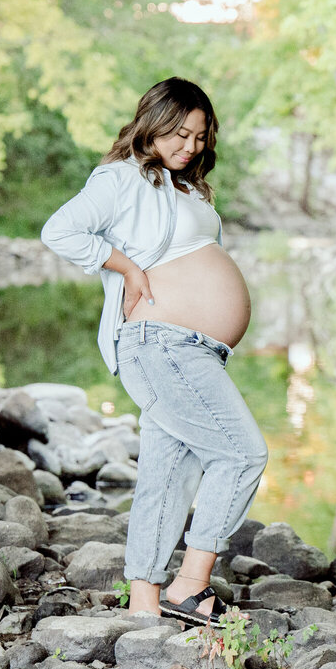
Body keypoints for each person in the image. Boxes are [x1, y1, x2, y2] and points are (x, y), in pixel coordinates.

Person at [40, 77, 267, 624]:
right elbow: (60, 231)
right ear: (153, 122)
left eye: (199, 138)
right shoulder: (122, 178)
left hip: (193, 349)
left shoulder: (184, 186)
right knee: (242, 454)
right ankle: (190, 584)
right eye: (179, 134)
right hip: (160, 343)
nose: (189, 147)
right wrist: (126, 265)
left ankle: (145, 608)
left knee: (166, 475)